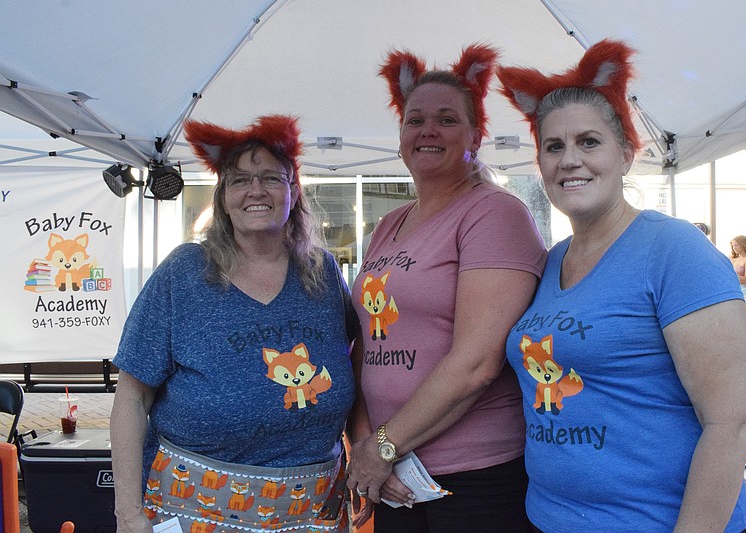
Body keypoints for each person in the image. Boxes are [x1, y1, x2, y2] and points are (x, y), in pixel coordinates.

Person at [497, 39, 746, 531]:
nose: (569, 159)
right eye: (553, 147)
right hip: (548, 517)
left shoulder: (675, 250)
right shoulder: (552, 261)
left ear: (625, 153)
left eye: (588, 142)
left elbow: (733, 421)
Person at [110, 115, 358, 532]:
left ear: (293, 191)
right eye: (240, 180)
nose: (256, 191)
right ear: (223, 196)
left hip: (312, 511)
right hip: (192, 505)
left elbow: (359, 363)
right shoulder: (184, 272)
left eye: (270, 178)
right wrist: (127, 512)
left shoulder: (323, 273)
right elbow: (132, 398)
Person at [345, 44, 548, 532]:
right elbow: (365, 345)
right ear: (400, 136)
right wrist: (366, 443)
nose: (428, 131)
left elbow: (477, 363)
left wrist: (383, 447)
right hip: (393, 473)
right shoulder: (388, 224)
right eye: (415, 120)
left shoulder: (494, 213)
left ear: (475, 136)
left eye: (446, 119)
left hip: (473, 476)